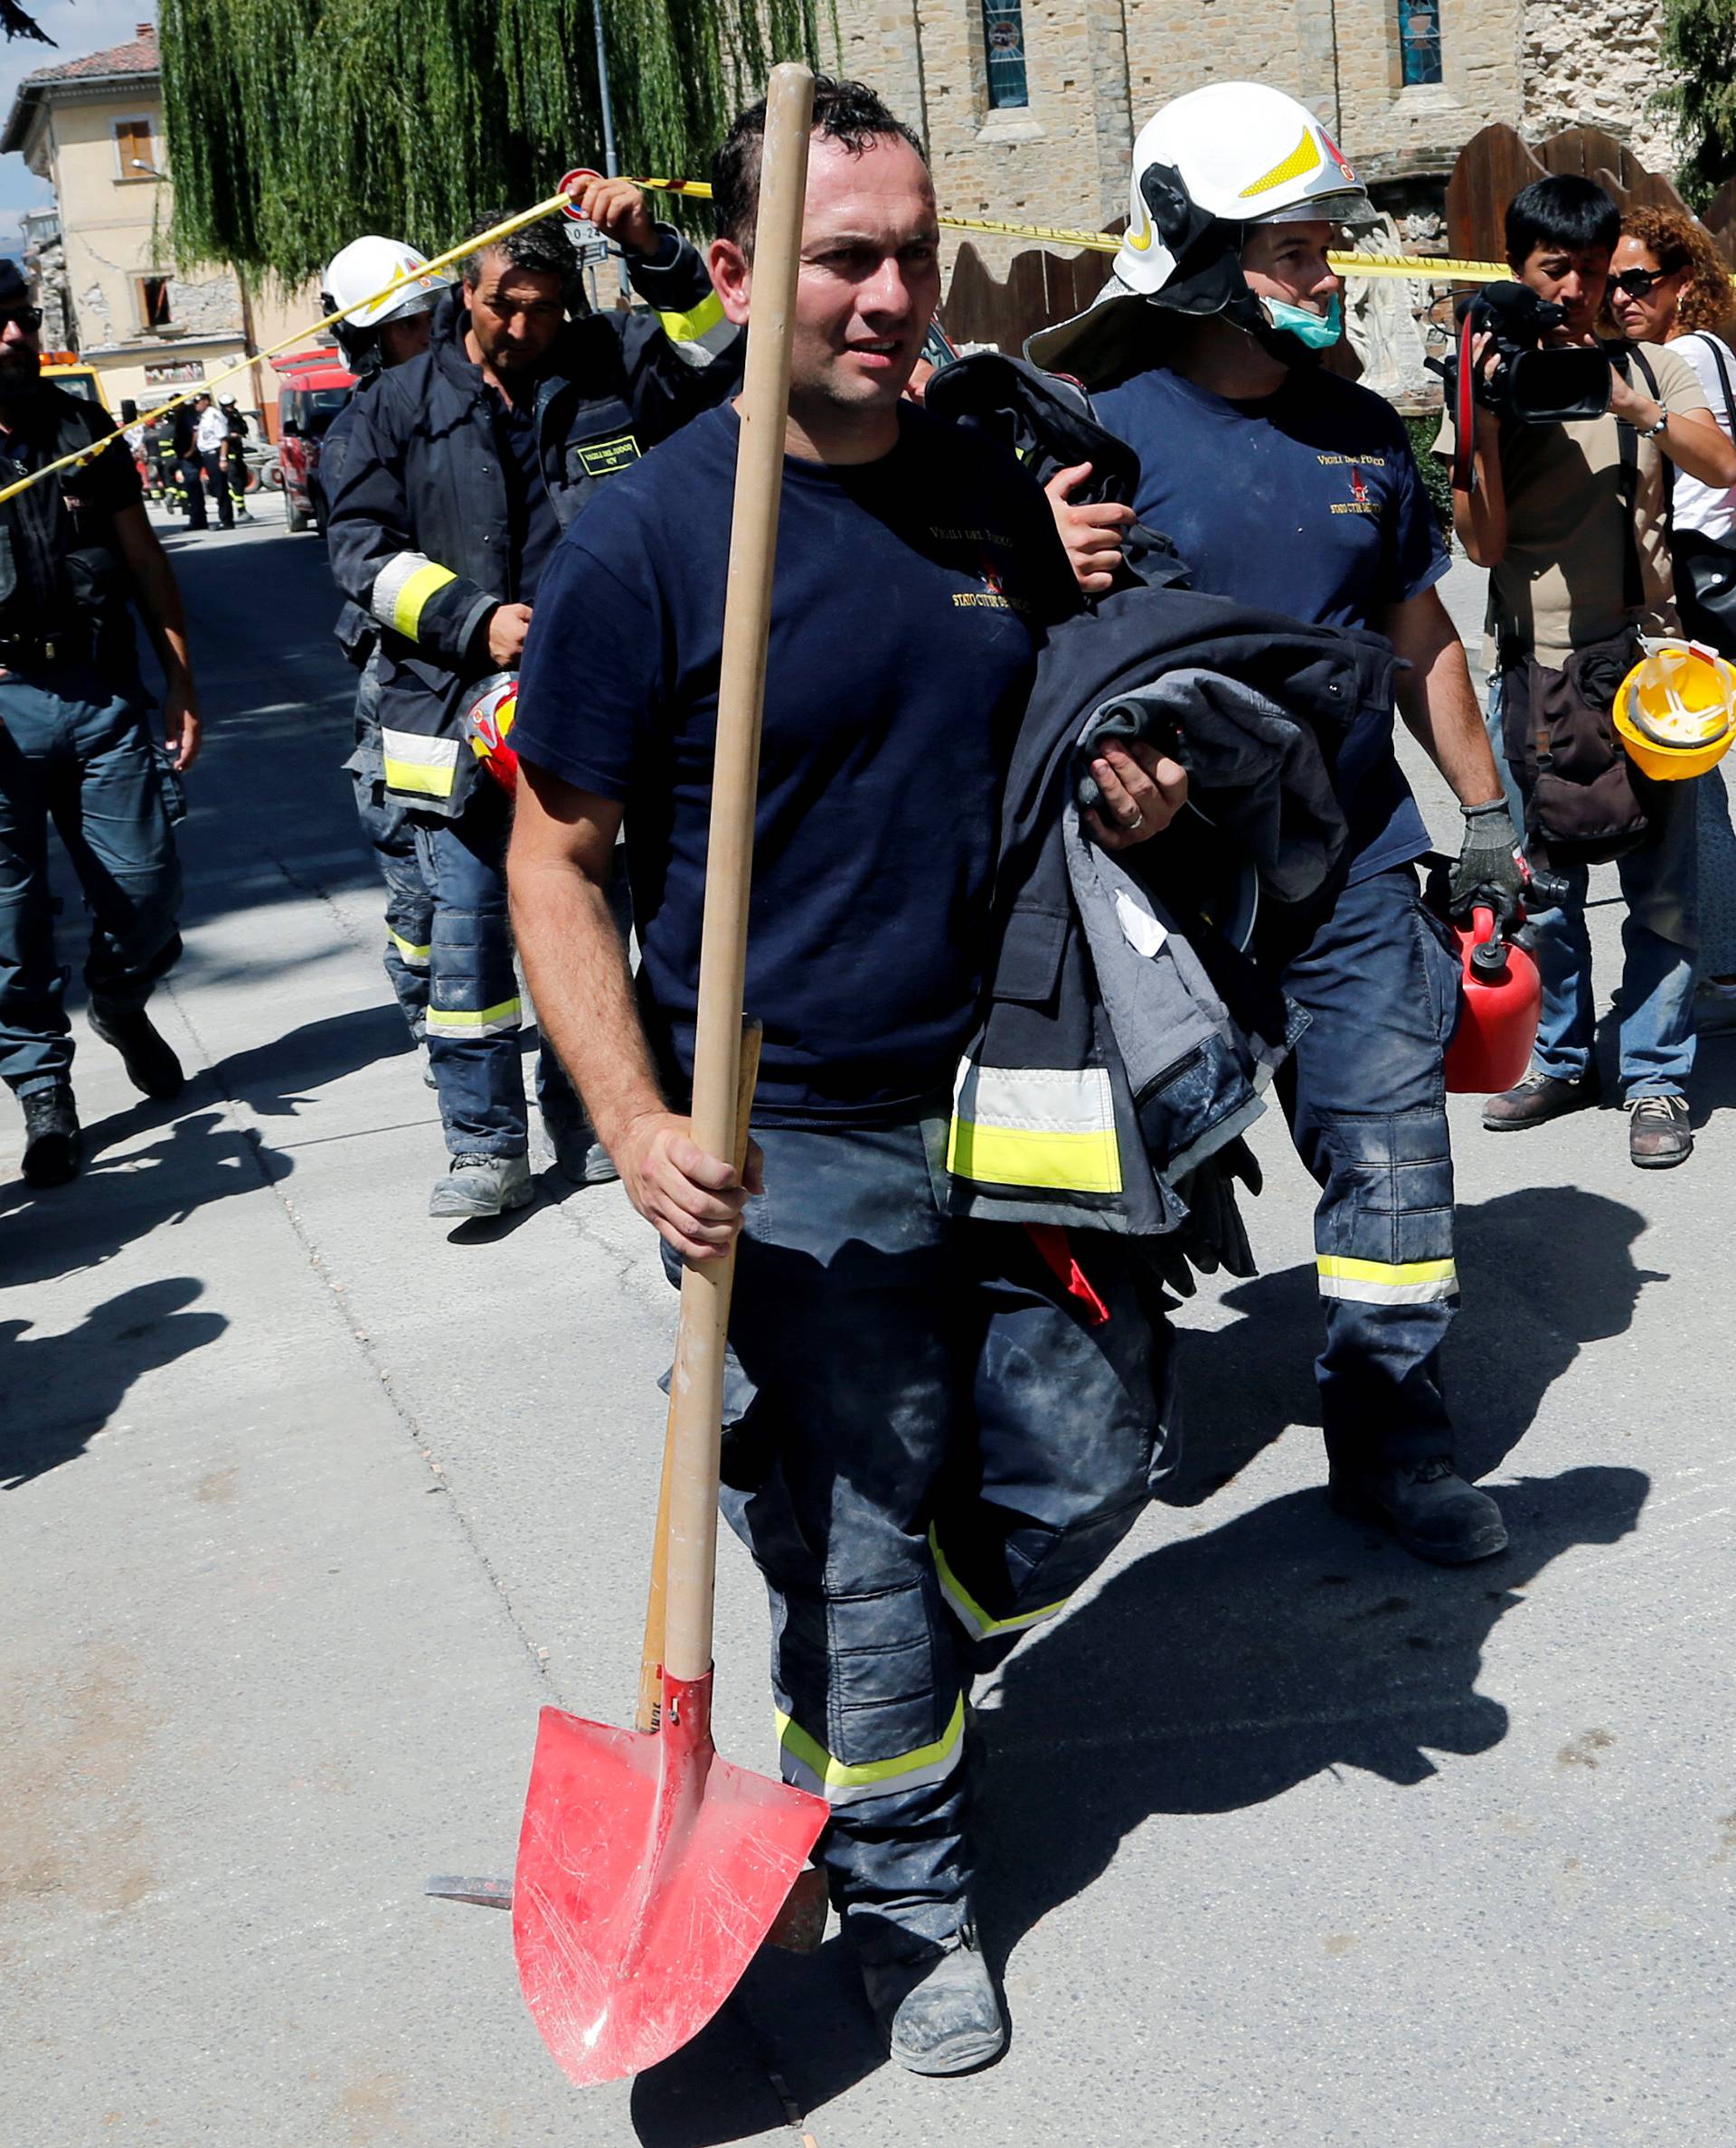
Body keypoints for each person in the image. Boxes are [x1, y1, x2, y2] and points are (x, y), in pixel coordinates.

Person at [508, 77, 1185, 2075]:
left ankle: (843, 1630)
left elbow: (1071, 729)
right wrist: (635, 1127)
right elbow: (554, 858)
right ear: (734, 273)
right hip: (788, 1129)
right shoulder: (646, 539)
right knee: (878, 1528)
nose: (897, 294)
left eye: (915, 253)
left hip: (1025, 1083)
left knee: (1091, 1459)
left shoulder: (978, 488)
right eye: (844, 257)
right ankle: (906, 1892)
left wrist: (1130, 788)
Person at [1030, 80, 1515, 1565]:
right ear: (1193, 253)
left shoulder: (1367, 433)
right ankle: (1132, 1387)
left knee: (1392, 1159)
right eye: (1296, 251)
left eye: (1325, 247)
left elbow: (1421, 631)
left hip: (1355, 863)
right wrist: (1047, 564)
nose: (1327, 276)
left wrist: (1484, 813)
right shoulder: (1096, 435)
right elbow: (1013, 653)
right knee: (1139, 1172)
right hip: (1156, 896)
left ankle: (1394, 1440)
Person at [328, 184, 737, 1217]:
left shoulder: (612, 364)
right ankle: (481, 1149)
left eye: (546, 306)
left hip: (598, 708)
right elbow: (362, 555)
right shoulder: (392, 407)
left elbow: (721, 354)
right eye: (504, 304)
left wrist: (651, 246)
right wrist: (476, 622)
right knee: (468, 941)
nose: (524, 326)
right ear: (463, 292)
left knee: (595, 923)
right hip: (447, 712)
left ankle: (590, 1119)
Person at [1448, 175, 1736, 1168]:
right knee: (1548, 888)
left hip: (1653, 669)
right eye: (1549, 269)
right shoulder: (1490, 378)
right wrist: (1481, 424)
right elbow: (1479, 548)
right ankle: (1562, 1059)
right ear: (1519, 270)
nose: (1571, 290)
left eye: (1588, 268)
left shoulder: (1654, 363)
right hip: (1535, 664)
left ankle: (1656, 1075)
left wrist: (1631, 403)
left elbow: (1723, 466)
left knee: (1666, 889)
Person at [0, 259, 202, 1186]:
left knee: (149, 881)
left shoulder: (83, 429)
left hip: (98, 693)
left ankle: (120, 1001)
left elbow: (146, 560)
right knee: (11, 922)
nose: (14, 336)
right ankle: (44, 1090)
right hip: (0, 709)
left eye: (22, 317)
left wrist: (180, 682)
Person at [319, 237, 452, 1070]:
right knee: (422, 872)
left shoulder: (475, 400)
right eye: (409, 324)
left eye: (434, 313)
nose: (430, 332)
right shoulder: (361, 432)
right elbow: (369, 563)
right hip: (405, 676)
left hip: (498, 659)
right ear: (369, 341)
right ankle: (424, 999)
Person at [1609, 206, 1736, 1033]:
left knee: (1688, 775)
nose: (1620, 296)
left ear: (1682, 283)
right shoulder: (1711, 349)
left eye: (1638, 281)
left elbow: (1703, 475)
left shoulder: (1682, 354)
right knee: (1700, 779)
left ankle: (1718, 970)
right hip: (1714, 573)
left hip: (1702, 583)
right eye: (1611, 281)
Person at [193, 391, 234, 531]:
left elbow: (223, 439)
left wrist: (223, 459)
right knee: (214, 487)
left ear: (206, 401)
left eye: (198, 402)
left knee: (221, 488)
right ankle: (224, 517)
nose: (196, 405)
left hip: (215, 454)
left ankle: (226, 520)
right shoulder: (203, 417)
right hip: (206, 455)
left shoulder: (214, 415)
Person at [169, 394, 206, 530]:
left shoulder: (186, 414)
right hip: (184, 457)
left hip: (190, 458)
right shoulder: (180, 414)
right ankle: (197, 518)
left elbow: (195, 432)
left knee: (193, 488)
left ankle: (198, 520)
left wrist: (191, 451)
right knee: (191, 489)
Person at [219, 392, 252, 521]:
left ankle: (239, 505)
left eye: (232, 404)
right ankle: (241, 510)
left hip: (238, 454)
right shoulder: (221, 418)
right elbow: (222, 435)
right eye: (228, 405)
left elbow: (244, 429)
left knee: (242, 481)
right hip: (229, 455)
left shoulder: (236, 415)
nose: (231, 407)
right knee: (236, 482)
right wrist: (230, 435)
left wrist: (239, 433)